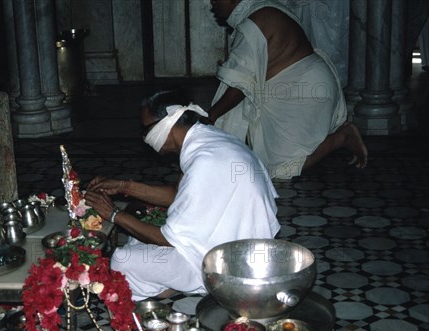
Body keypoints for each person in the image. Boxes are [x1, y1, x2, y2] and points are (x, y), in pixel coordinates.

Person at [84, 89, 281, 301]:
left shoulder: (204, 161)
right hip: (233, 241)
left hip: (229, 264)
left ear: (168, 123)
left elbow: (166, 238)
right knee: (137, 239)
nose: (144, 137)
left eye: (146, 130)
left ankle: (199, 286)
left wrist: (114, 214)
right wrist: (124, 186)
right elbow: (176, 194)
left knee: (122, 260)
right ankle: (175, 284)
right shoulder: (208, 139)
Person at [206, 0, 368, 180]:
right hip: (311, 85)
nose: (212, 3)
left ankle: (343, 137)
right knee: (264, 155)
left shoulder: (253, 23)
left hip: (302, 93)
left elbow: (239, 87)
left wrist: (210, 116)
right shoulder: (266, 9)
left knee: (281, 168)